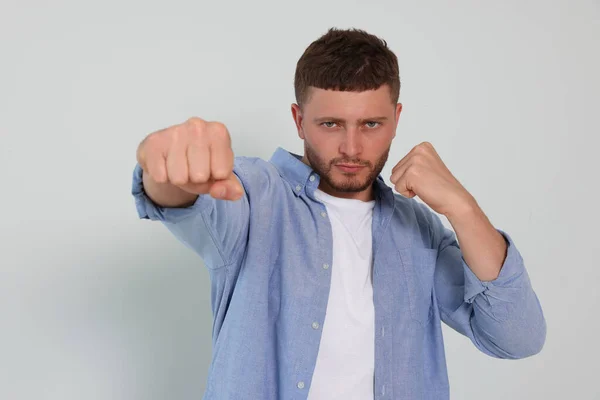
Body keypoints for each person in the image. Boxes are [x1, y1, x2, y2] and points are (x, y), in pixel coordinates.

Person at [131, 28, 546, 400]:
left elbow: (518, 337)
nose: (351, 147)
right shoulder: (256, 195)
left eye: (370, 124)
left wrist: (462, 207)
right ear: (299, 120)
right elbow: (180, 193)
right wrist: (164, 164)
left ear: (396, 119)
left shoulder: (418, 229)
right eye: (330, 124)